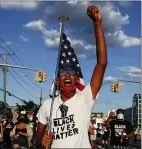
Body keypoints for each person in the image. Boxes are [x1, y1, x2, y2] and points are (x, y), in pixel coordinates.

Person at [35, 5, 107, 148]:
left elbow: (102, 63)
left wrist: (97, 23)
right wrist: (41, 141)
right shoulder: (47, 106)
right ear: (57, 80)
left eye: (72, 72)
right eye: (62, 72)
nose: (67, 74)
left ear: (76, 78)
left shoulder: (86, 98)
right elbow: (38, 137)